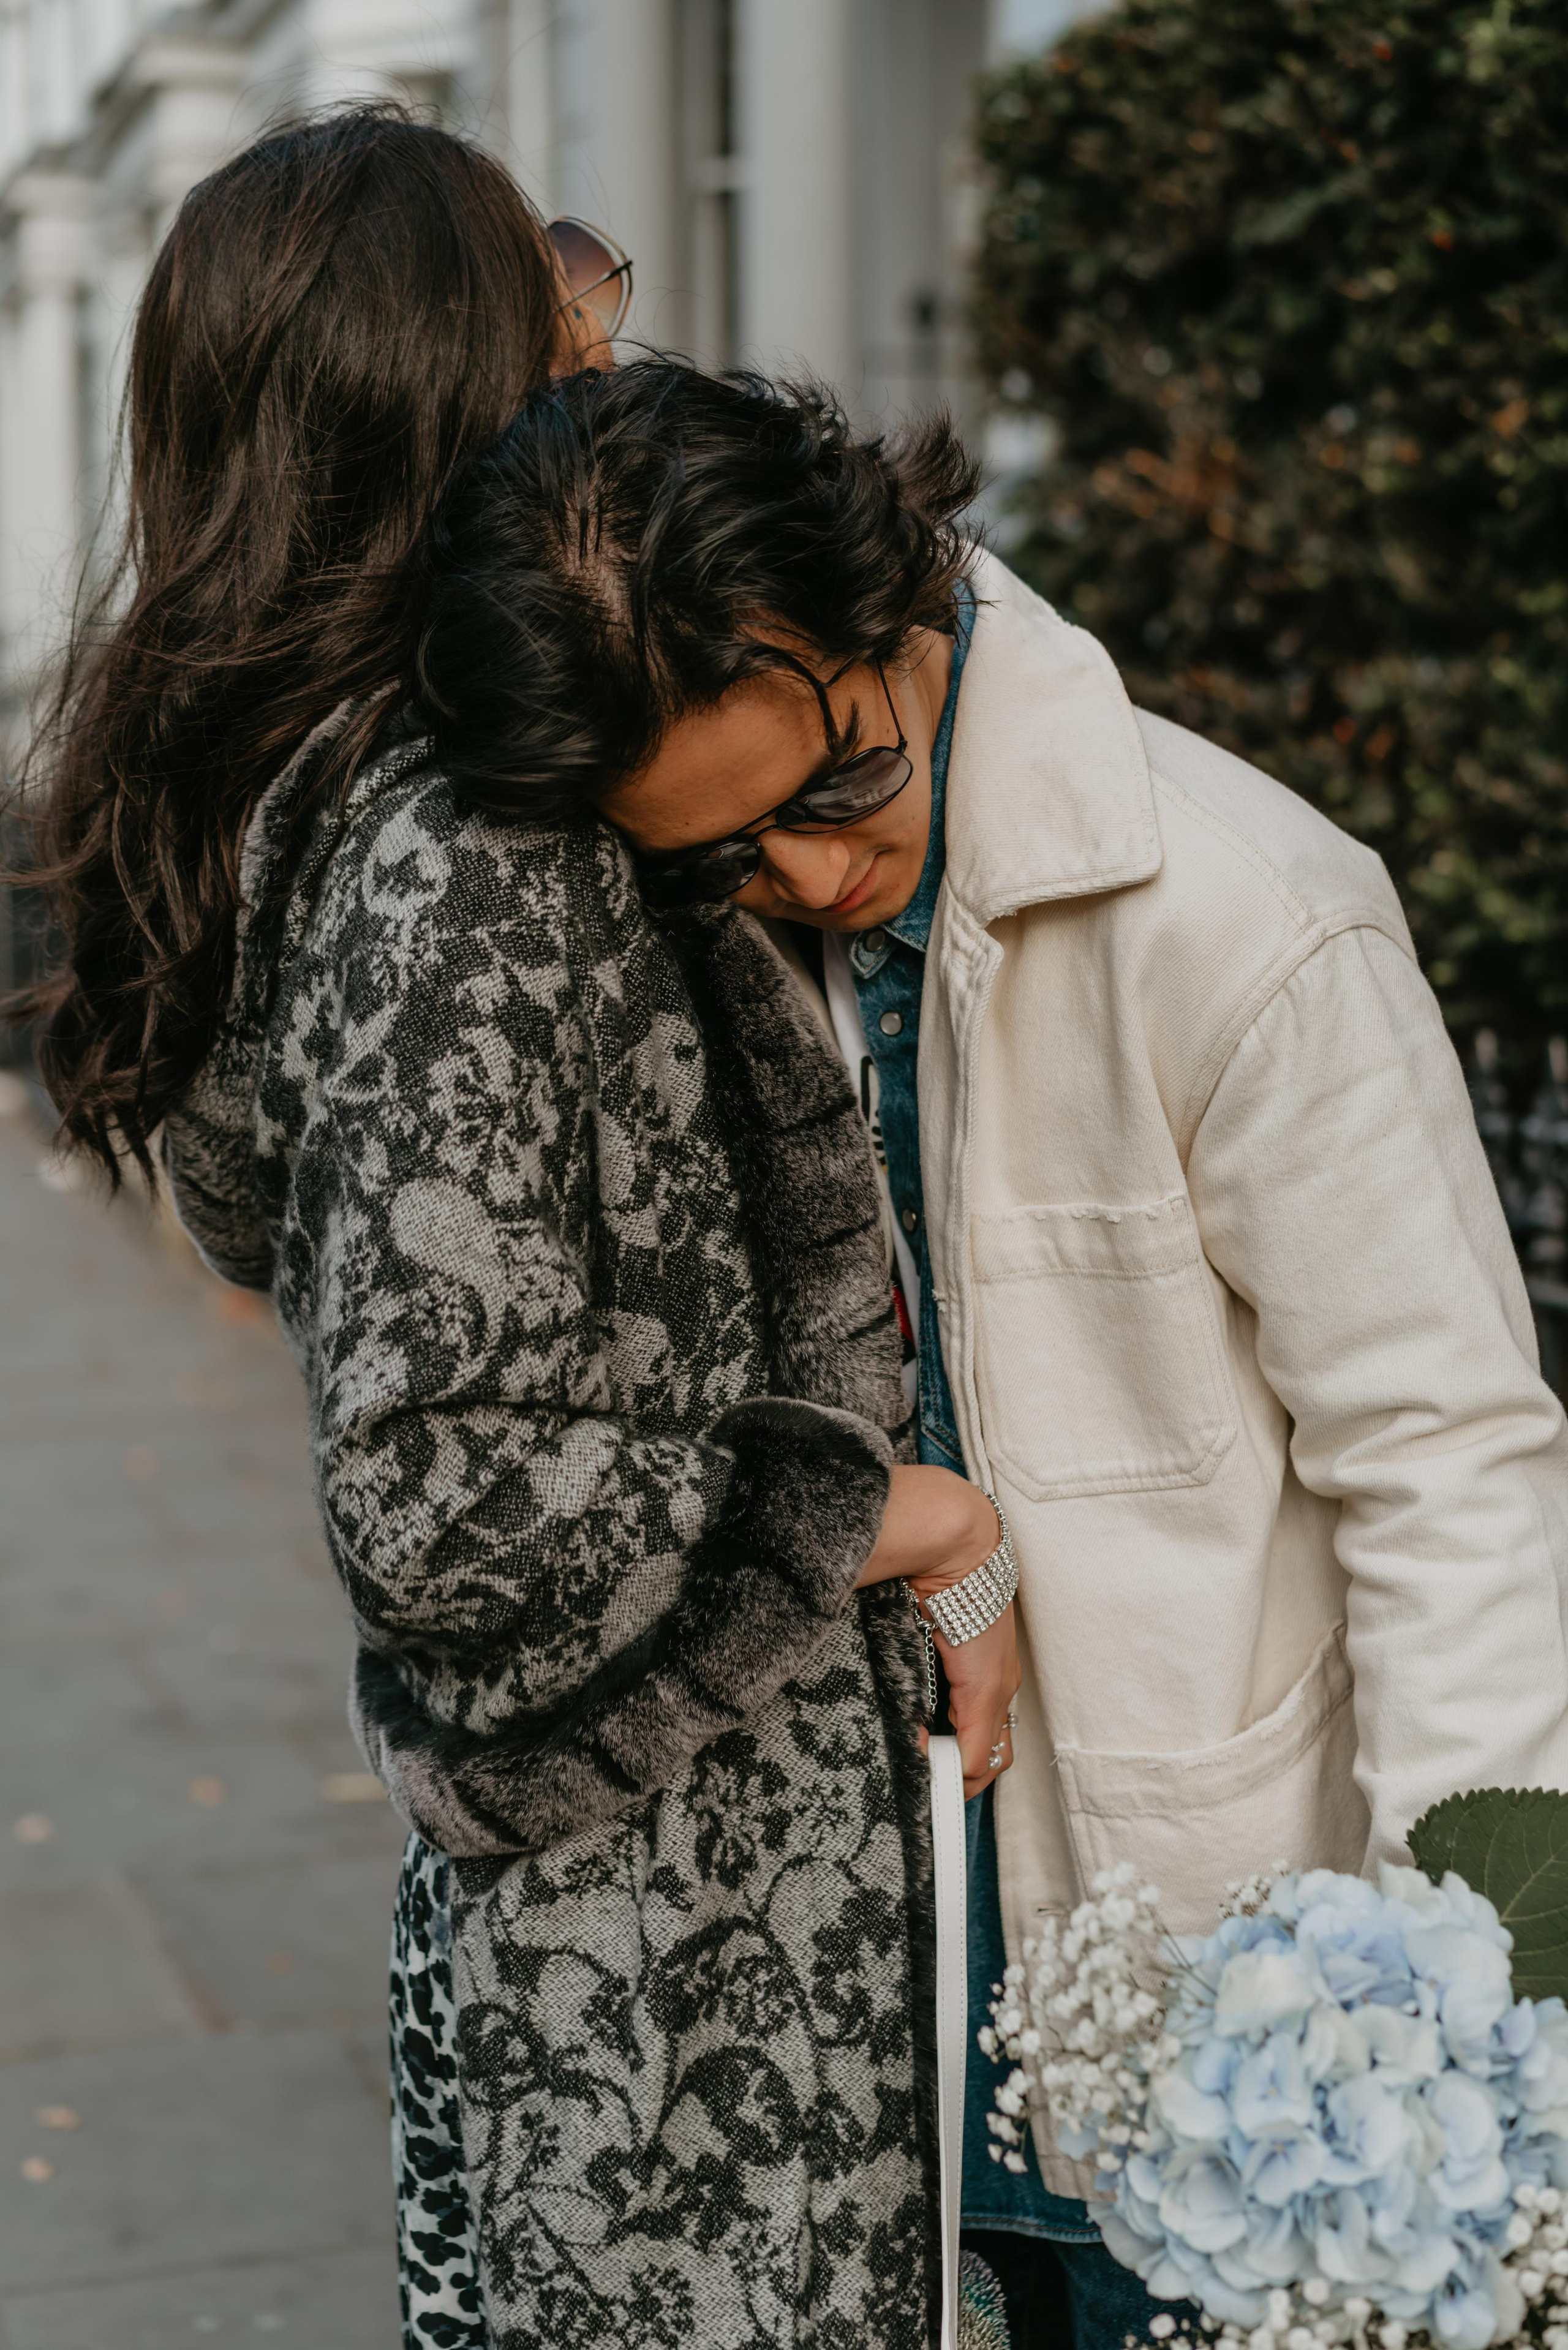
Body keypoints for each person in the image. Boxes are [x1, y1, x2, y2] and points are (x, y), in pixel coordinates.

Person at [415, 357, 1568, 2350]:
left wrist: (1484, 2028)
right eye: (722, 854)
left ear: (889, 594)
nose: (807, 877)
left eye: (832, 789)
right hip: (848, 2018)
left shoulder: (1251, 915)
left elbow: (1451, 1470)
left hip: (1225, 2027)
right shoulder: (681, 936)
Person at [10, 116, 1020, 2350]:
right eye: (554, 297)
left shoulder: (321, 795)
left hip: (604, 1906)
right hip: (693, 1943)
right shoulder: (470, 848)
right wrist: (904, 1512)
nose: (602, 333)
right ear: (447, 383)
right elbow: (443, 1489)